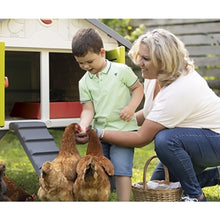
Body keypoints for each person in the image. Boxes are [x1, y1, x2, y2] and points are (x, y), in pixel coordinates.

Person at [76, 28, 220, 202]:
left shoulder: (181, 88)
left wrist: (98, 132)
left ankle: (195, 196)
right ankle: (216, 176)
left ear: (164, 61)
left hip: (214, 140)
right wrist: (115, 123)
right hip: (192, 137)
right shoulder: (154, 77)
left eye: (145, 58)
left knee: (165, 140)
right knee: (159, 185)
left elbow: (141, 137)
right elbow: (150, 113)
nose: (138, 62)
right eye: (139, 56)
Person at [71, 28, 144, 201]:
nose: (86, 67)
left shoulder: (121, 70)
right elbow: (88, 109)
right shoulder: (84, 82)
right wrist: (83, 125)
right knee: (99, 171)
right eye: (81, 63)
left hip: (124, 132)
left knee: (121, 170)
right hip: (100, 135)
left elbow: (138, 89)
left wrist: (131, 107)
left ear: (102, 52)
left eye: (89, 61)